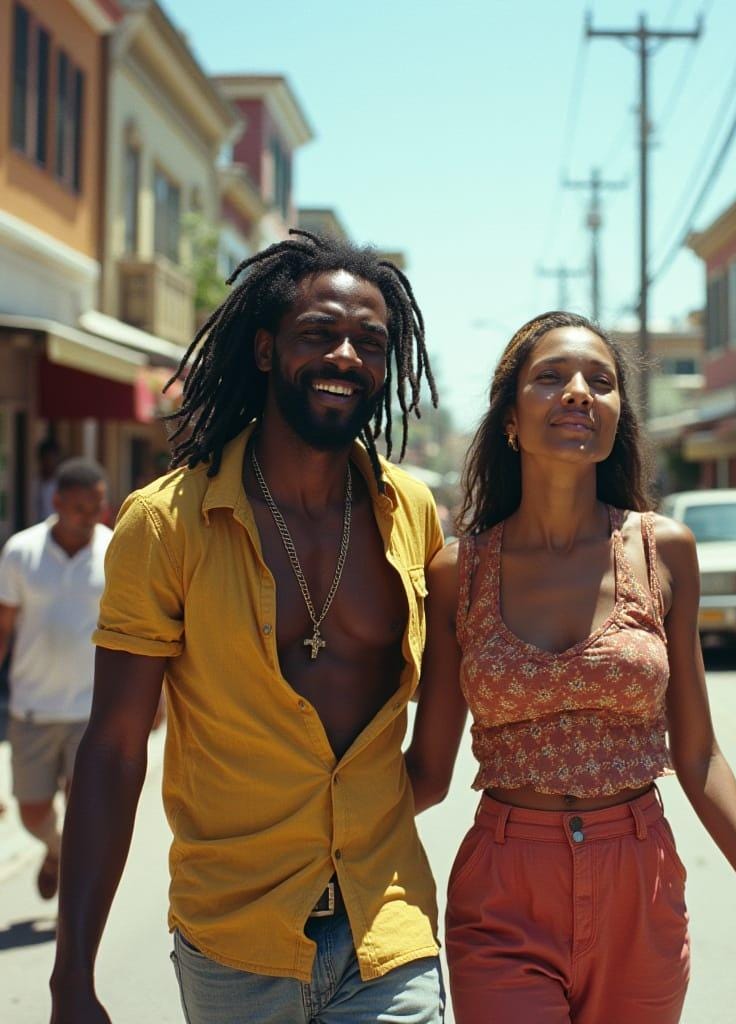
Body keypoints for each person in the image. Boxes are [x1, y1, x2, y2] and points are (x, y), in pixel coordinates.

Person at [49, 233, 445, 1024]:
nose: (345, 355)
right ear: (265, 350)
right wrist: (70, 977)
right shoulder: (166, 524)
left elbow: (430, 757)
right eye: (318, 333)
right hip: (235, 938)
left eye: (370, 342)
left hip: (388, 924)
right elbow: (116, 747)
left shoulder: (411, 514)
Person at [405, 312, 736, 1023]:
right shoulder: (460, 571)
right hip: (504, 892)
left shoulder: (664, 551)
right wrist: (302, 833)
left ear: (616, 419)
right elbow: (427, 770)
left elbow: (698, 754)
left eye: (600, 383)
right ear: (510, 416)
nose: (579, 393)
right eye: (552, 378)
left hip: (641, 880)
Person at [0, 458, 110, 900]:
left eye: (98, 507)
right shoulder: (20, 552)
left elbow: (138, 632)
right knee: (31, 812)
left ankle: (77, 900)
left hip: (90, 710)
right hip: (31, 708)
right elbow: (4, 628)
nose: (91, 518)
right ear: (58, 502)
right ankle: (58, 851)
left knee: (87, 809)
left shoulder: (116, 549)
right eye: (81, 508)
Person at [34, 438, 61, 524]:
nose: (48, 463)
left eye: (51, 459)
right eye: (45, 459)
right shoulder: (34, 482)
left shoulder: (61, 484)